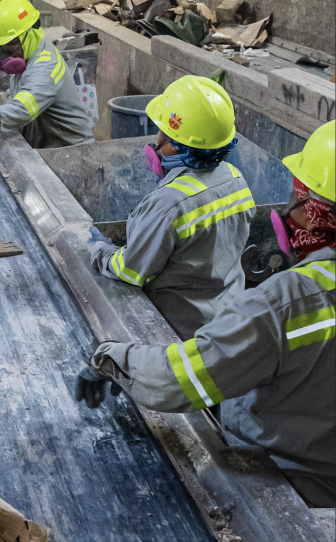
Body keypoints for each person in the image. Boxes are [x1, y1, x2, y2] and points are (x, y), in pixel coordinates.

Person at [75, 121, 335, 507]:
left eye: (297, 197)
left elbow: (179, 380)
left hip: (294, 483)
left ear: (314, 215)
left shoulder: (289, 302)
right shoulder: (233, 178)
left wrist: (111, 357)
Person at [88, 75, 254, 334]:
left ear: (177, 147)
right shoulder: (236, 178)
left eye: (161, 133)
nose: (156, 141)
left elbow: (131, 271)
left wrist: (99, 250)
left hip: (180, 326)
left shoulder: (169, 204)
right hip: (227, 319)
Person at [0, 0, 95, 147]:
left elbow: (22, 110)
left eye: (10, 45)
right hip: (47, 143)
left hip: (71, 152)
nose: (5, 54)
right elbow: (19, 93)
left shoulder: (44, 69)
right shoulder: (32, 51)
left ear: (30, 34)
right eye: (1, 47)